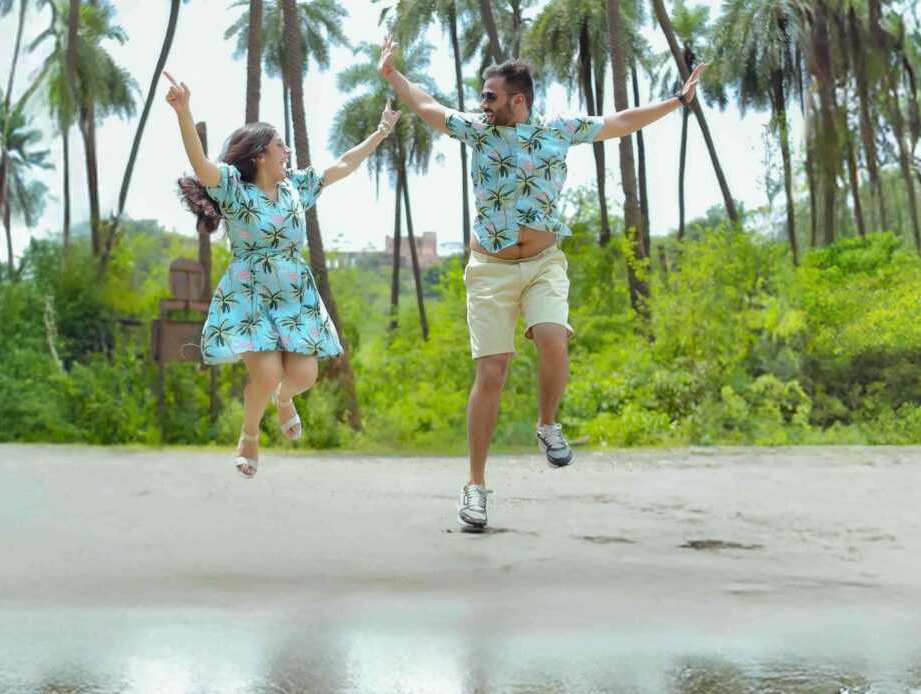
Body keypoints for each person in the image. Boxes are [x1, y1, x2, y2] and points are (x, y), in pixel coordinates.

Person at [380, 41, 702, 531]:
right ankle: (475, 487)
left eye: (490, 97)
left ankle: (547, 424)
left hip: (544, 263)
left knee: (553, 337)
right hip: (489, 270)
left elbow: (621, 122)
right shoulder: (478, 132)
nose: (482, 105)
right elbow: (427, 105)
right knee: (492, 372)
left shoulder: (558, 131)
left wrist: (677, 102)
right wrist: (393, 75)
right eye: (482, 97)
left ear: (519, 101)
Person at [168, 75, 398, 478]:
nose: (288, 151)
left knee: (303, 374)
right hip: (249, 293)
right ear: (260, 155)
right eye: (280, 145)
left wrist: (380, 132)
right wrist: (184, 112)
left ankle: (284, 400)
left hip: (295, 294)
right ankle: (250, 434)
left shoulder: (296, 187)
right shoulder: (235, 191)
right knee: (268, 371)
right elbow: (202, 166)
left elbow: (342, 165)